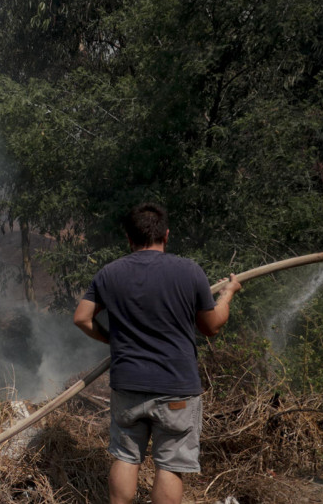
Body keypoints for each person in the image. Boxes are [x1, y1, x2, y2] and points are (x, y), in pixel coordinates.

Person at [73, 203, 242, 504]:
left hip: (128, 385)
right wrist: (228, 294)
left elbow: (82, 318)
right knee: (170, 465)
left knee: (125, 456)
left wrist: (113, 340)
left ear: (128, 238)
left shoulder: (110, 273)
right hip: (176, 388)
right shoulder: (189, 271)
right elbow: (211, 326)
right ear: (166, 235)